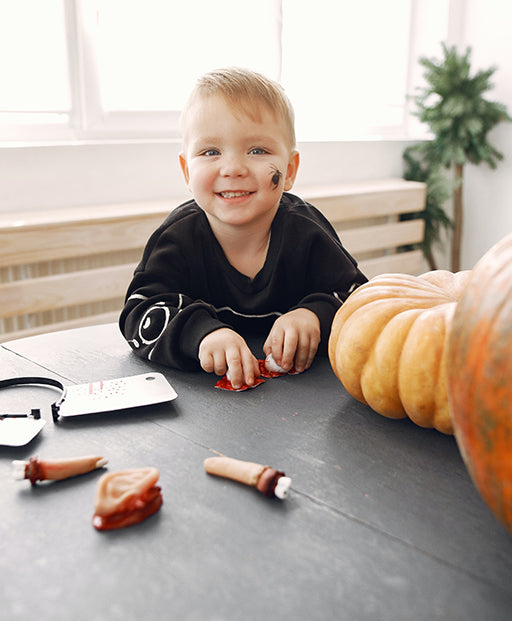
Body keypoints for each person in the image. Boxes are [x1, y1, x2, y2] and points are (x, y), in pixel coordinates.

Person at [119, 67, 366, 389]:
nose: (233, 168)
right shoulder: (177, 238)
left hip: (305, 400)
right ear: (186, 170)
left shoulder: (307, 232)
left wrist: (314, 316)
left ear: (289, 170)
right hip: (200, 410)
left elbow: (360, 302)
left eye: (257, 150)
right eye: (210, 152)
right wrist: (201, 334)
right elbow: (141, 313)